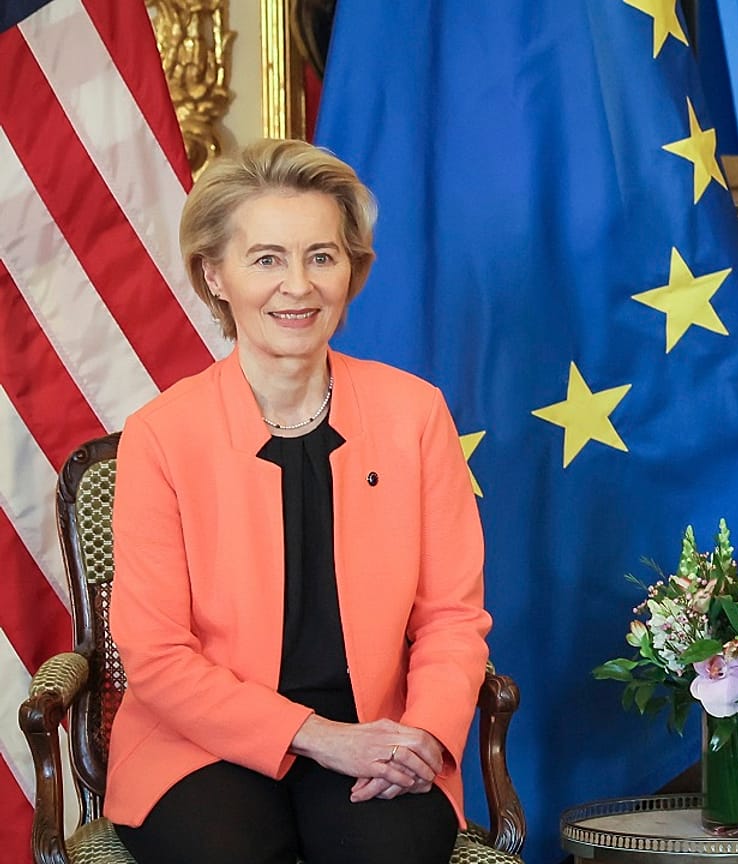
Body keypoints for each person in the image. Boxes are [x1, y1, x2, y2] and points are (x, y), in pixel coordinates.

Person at [106, 139, 492, 864]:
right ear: (215, 275)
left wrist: (426, 737)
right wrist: (318, 737)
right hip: (199, 744)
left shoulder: (415, 413)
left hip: (379, 730)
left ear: (352, 271)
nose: (299, 286)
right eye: (267, 259)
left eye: (322, 256)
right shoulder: (162, 434)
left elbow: (452, 618)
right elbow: (156, 657)